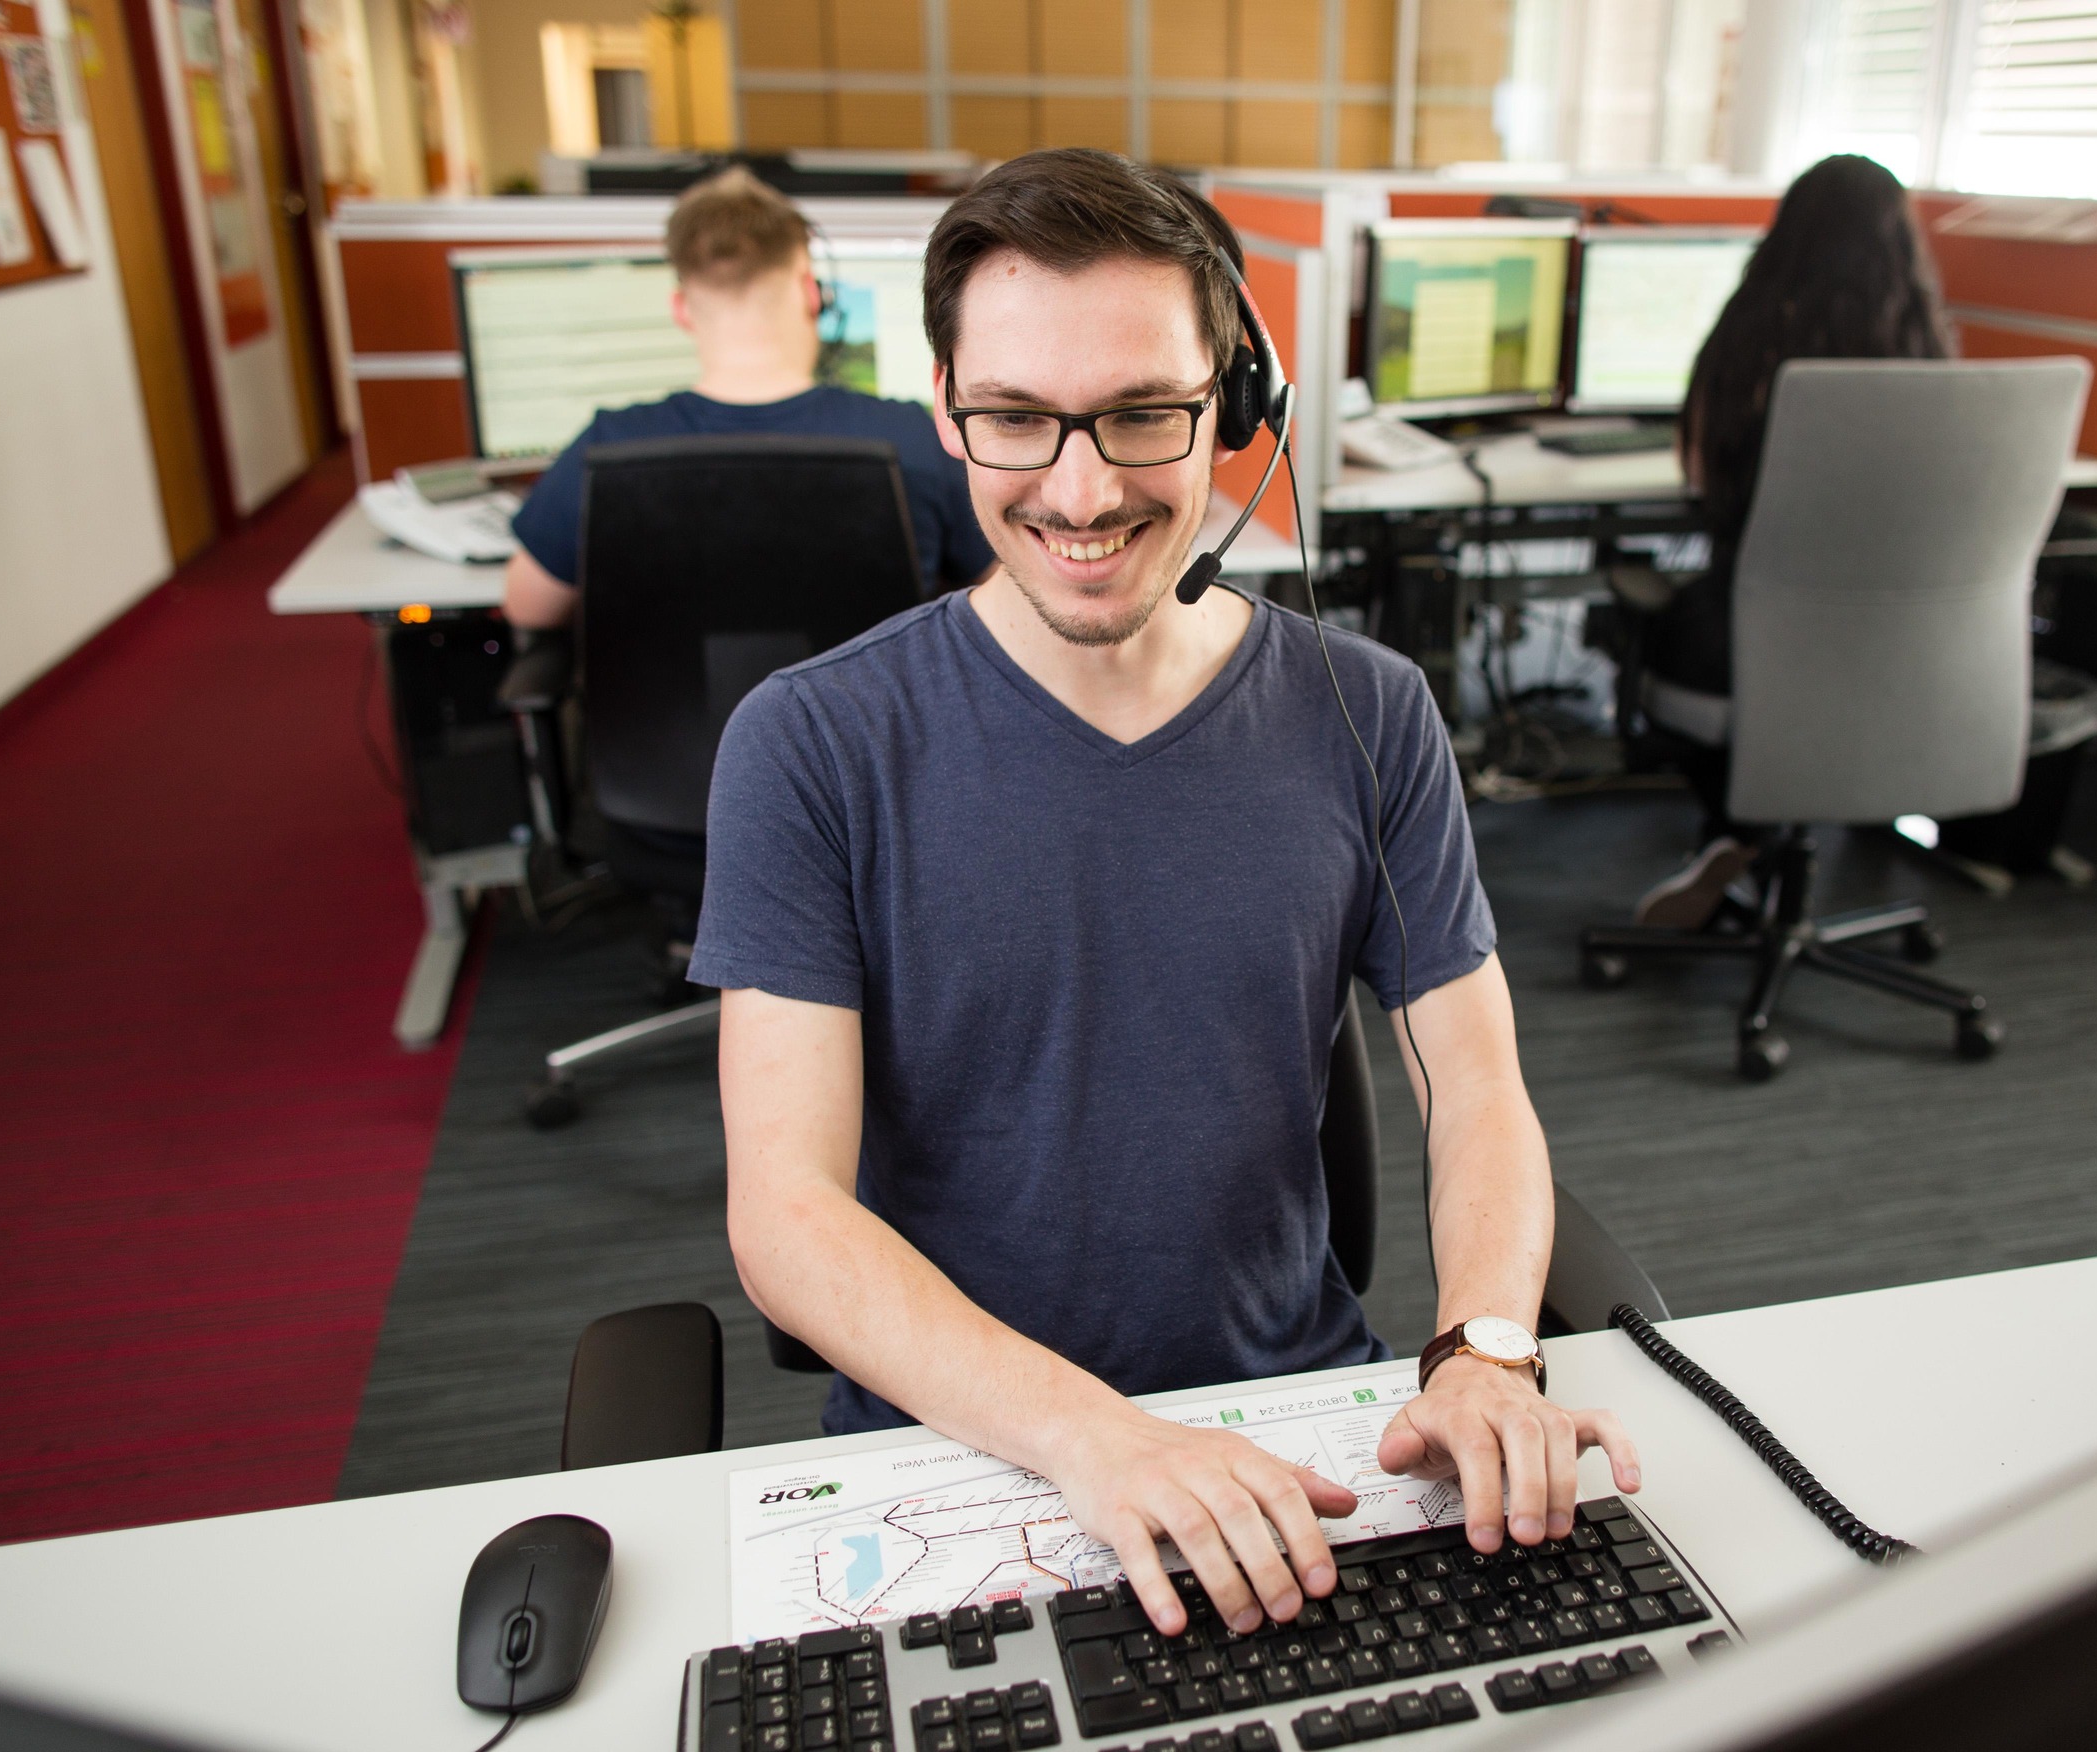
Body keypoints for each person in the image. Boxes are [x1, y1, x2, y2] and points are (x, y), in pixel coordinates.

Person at [690, 149, 1640, 1641]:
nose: (1084, 491)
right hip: (965, 1457)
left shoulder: (1367, 710)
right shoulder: (813, 744)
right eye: (1016, 418)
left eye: (1144, 414)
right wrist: (1096, 1438)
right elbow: (788, 1216)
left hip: (1305, 1439)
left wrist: (1489, 1349)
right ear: (945, 411)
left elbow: (1475, 1081)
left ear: (1234, 407)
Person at [1630, 154, 1952, 927]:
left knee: (1666, 627)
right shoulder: (1931, 355)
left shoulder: (1751, 342)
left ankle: (1734, 829)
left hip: (1755, 637)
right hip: (1910, 646)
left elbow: (1703, 476)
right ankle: (1754, 835)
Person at [499, 166, 995, 628]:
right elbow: (1003, 592)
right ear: (811, 293)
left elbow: (526, 608)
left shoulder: (605, 448)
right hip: (868, 724)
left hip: (673, 724)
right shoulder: (916, 437)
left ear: (681, 309)